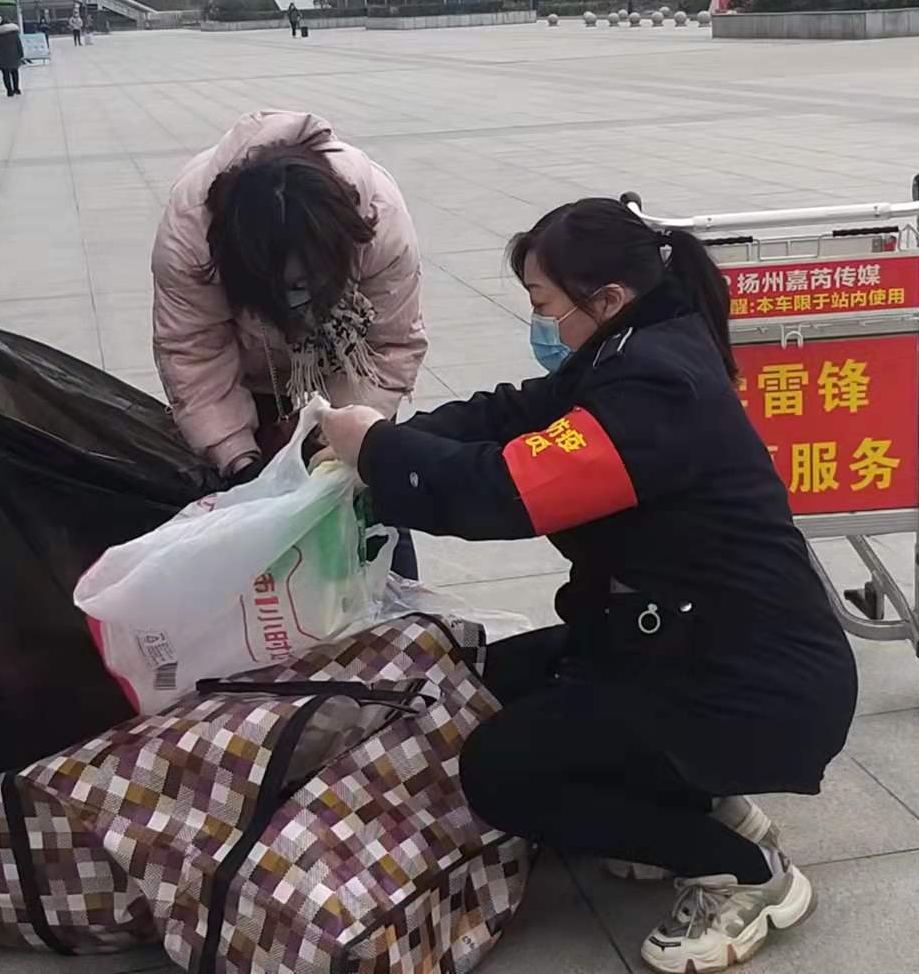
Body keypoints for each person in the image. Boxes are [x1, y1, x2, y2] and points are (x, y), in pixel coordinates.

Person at [317, 198, 856, 974]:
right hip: (688, 639)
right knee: (490, 680)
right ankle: (701, 801)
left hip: (750, 683)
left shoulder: (657, 387)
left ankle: (742, 874)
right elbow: (511, 414)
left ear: (606, 299)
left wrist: (377, 452)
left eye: (544, 305)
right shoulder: (628, 348)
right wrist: (389, 437)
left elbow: (509, 489)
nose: (540, 323)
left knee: (502, 769)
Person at [151, 110, 424, 576]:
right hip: (250, 367)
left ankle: (398, 609)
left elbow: (391, 345)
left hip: (348, 357)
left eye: (309, 279)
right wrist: (239, 459)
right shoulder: (191, 240)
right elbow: (194, 352)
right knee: (252, 518)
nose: (298, 296)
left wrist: (341, 439)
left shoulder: (378, 219)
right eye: (284, 284)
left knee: (370, 497)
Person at [0, 18, 25, 96]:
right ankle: (16, 89)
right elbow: (18, 44)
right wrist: (21, 54)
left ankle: (9, 91)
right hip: (14, 55)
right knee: (15, 72)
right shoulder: (14, 33)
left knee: (5, 74)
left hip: (2, 57)